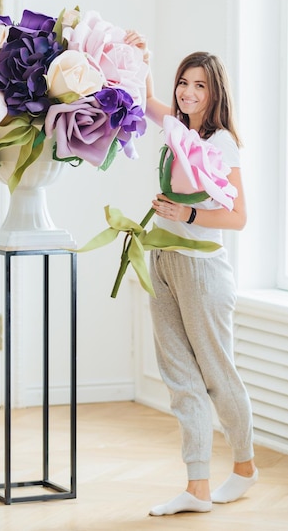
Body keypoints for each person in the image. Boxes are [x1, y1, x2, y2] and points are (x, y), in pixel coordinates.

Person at [124, 31, 258, 516]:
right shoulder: (178, 130)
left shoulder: (222, 144)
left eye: (199, 86)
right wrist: (142, 59)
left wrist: (189, 216)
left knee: (219, 376)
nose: (189, 93)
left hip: (202, 271)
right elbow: (147, 100)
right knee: (180, 378)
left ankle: (244, 469)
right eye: (184, 83)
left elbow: (239, 217)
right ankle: (197, 487)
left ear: (215, 92)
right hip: (163, 261)